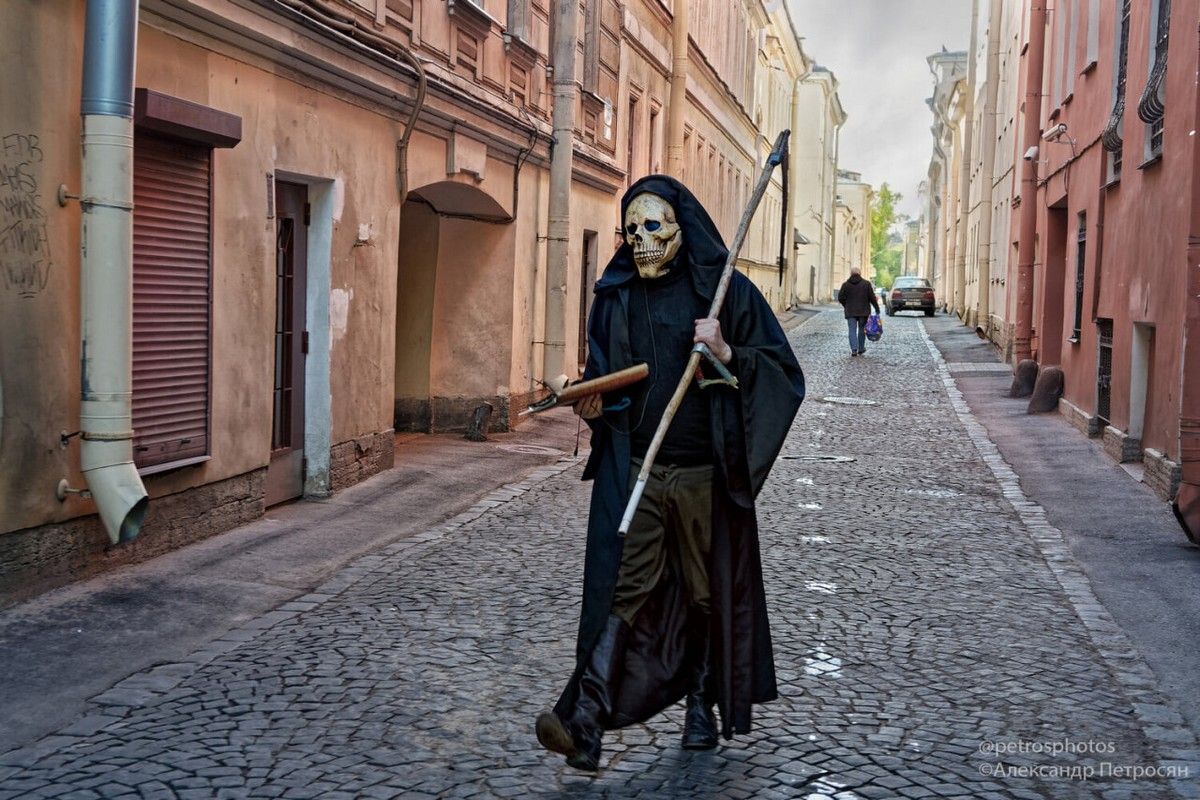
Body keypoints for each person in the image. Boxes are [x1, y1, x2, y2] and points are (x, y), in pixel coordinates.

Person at [534, 176, 805, 772]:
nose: (641, 240)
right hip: (640, 470)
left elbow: (783, 373)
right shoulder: (617, 296)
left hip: (704, 474)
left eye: (653, 226)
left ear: (681, 228)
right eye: (630, 230)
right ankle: (586, 722)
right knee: (622, 588)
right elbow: (607, 382)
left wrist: (727, 353)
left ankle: (701, 705)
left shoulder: (723, 291)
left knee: (706, 591)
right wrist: (592, 403)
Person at [837, 267, 880, 356]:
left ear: (851, 274)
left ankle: (854, 349)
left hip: (850, 311)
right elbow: (872, 298)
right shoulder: (866, 284)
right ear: (860, 273)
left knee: (852, 330)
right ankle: (861, 348)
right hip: (863, 312)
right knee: (862, 330)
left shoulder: (845, 285)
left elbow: (840, 297)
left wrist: (846, 305)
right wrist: (877, 308)